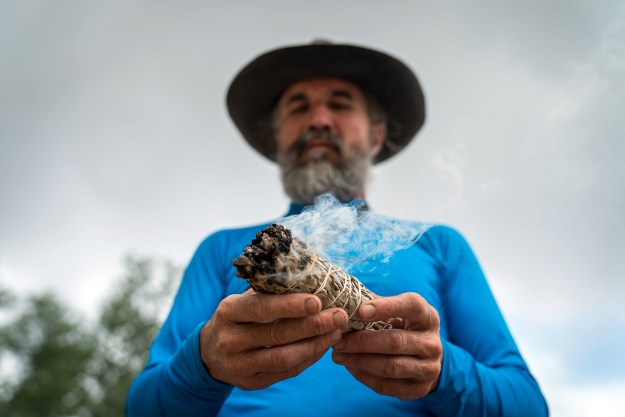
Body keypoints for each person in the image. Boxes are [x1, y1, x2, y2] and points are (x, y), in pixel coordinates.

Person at [126, 41, 549, 416]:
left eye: (341, 103)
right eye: (298, 107)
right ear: (277, 138)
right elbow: (143, 406)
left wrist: (443, 372)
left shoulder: (437, 245)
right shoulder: (222, 251)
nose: (320, 120)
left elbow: (527, 405)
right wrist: (204, 363)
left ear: (376, 135)